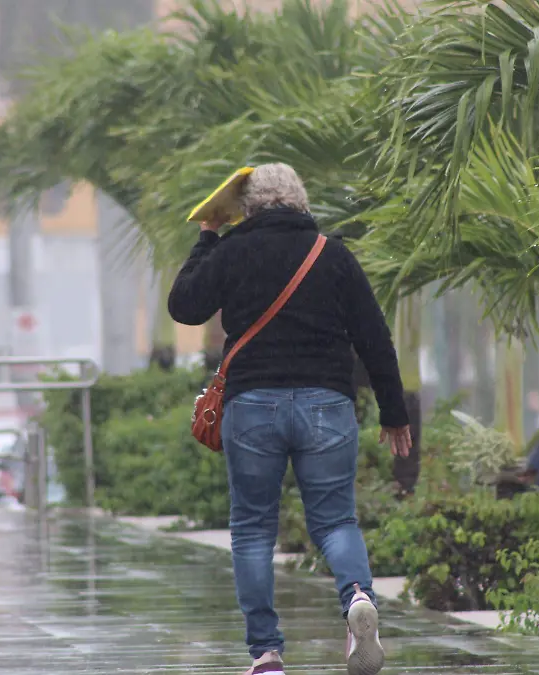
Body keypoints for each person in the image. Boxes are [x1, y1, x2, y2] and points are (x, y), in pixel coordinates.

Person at [168, 163, 412, 675]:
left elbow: (185, 306)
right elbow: (374, 337)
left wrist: (208, 236)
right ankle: (357, 597)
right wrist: (394, 412)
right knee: (336, 520)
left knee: (253, 530)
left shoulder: (232, 250)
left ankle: (266, 654)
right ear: (301, 201)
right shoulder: (332, 254)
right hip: (327, 404)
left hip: (253, 406)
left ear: (248, 207)